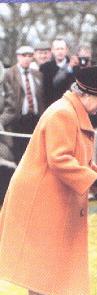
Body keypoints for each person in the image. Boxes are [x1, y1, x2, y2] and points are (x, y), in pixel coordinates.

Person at [0, 65, 97, 295]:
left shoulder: (71, 111)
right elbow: (60, 160)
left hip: (47, 199)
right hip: (38, 202)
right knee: (39, 273)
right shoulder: (63, 113)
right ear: (87, 94)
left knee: (44, 272)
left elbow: (82, 162)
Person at [3, 45, 45, 163]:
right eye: (24, 55)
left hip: (35, 118)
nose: (27, 58)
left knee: (35, 151)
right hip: (18, 119)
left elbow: (41, 96)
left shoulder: (37, 74)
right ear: (18, 57)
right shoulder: (9, 74)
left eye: (29, 56)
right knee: (19, 153)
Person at [0, 60, 17, 204]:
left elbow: (11, 107)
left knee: (7, 161)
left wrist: (0, 121)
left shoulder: (4, 82)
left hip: (4, 133)